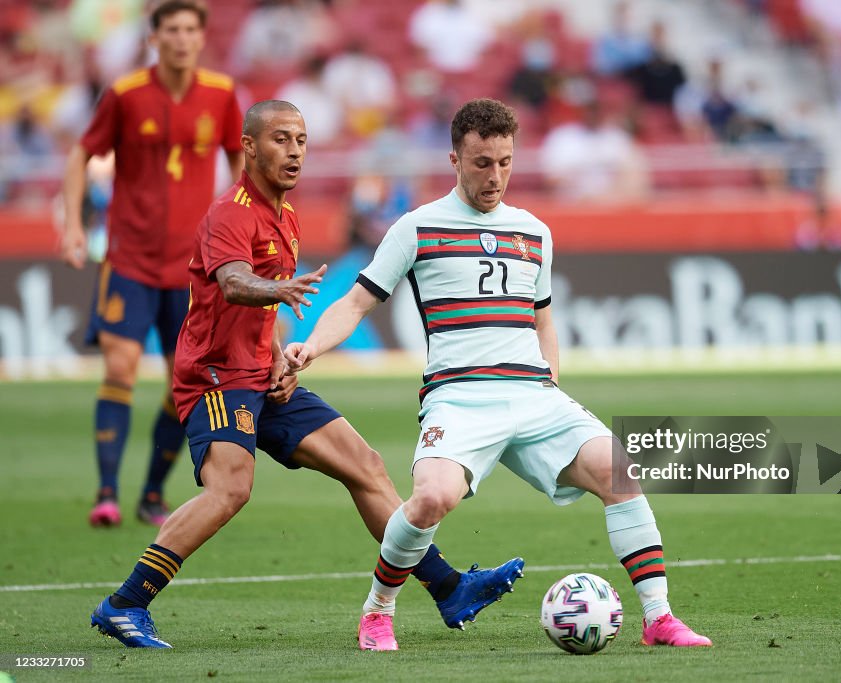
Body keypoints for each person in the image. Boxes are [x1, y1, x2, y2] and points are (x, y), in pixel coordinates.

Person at [88, 99, 523, 649]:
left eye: (301, 140)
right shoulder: (231, 211)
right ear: (248, 147)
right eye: (280, 139)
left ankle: (449, 587)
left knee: (364, 465)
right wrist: (279, 290)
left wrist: (276, 359)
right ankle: (126, 603)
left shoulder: (285, 215)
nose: (294, 151)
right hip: (217, 377)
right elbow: (234, 283)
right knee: (230, 489)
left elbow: (257, 312)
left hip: (258, 375)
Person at [284, 98, 712, 651]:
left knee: (620, 471)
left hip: (534, 395)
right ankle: (377, 611)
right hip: (459, 399)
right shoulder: (417, 228)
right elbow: (355, 304)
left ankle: (659, 619)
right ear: (455, 159)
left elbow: (543, 319)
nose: (496, 176)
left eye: (505, 162)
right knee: (432, 499)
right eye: (483, 162)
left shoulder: (533, 232)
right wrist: (311, 347)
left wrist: (551, 382)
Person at [61, 1, 243, 529]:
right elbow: (81, 154)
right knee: (119, 367)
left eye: (191, 30)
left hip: (191, 268)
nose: (183, 39)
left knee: (177, 384)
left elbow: (240, 166)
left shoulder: (222, 94)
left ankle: (150, 493)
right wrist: (74, 223)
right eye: (173, 30)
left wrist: (241, 230)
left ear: (201, 38)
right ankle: (106, 493)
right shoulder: (125, 94)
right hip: (129, 259)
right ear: (154, 37)